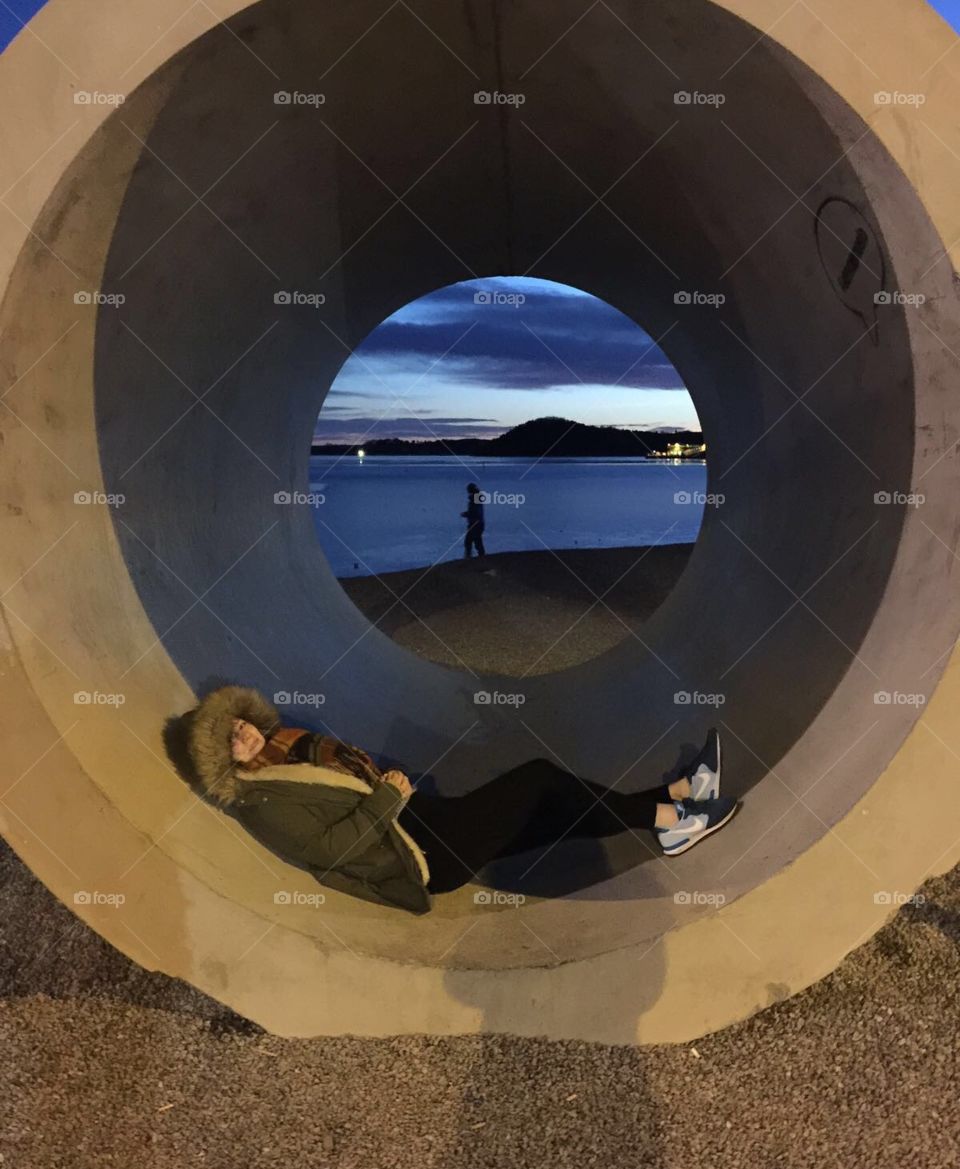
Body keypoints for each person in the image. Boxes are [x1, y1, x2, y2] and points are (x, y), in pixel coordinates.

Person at [186, 684, 739, 916]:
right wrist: (383, 798)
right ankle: (670, 819)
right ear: (223, 759)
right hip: (425, 854)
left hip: (425, 817)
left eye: (240, 723)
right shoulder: (260, 801)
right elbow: (331, 851)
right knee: (540, 777)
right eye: (230, 738)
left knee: (555, 813)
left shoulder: (284, 751)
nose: (245, 735)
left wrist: (389, 792)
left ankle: (677, 794)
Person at [461, 481, 486, 559]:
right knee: (472, 541)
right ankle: (472, 556)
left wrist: (467, 514)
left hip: (475, 523)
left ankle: (477, 556)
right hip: (477, 523)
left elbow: (475, 512)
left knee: (475, 541)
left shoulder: (475, 500)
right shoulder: (477, 499)